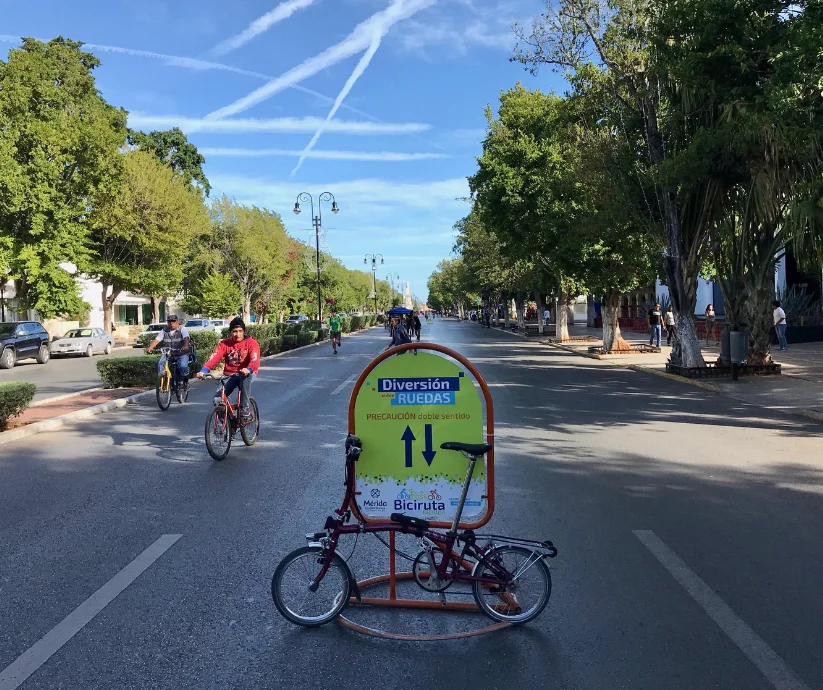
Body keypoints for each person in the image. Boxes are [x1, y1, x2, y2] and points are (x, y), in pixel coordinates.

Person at [196, 317, 260, 421]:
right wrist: (204, 370)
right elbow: (214, 357)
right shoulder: (224, 344)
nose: (237, 334)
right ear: (230, 332)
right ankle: (228, 425)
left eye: (240, 331)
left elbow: (255, 360)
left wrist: (248, 369)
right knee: (217, 400)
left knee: (245, 378)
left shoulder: (252, 343)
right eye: (235, 331)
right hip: (229, 375)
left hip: (246, 373)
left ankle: (245, 408)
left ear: (244, 331)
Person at [146, 314, 191, 388]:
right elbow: (157, 339)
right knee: (161, 364)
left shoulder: (183, 329)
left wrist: (186, 346)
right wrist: (150, 347)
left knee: (183, 366)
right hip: (168, 353)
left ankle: (185, 379)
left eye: (173, 321)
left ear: (177, 322)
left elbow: (186, 338)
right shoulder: (164, 330)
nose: (171, 323)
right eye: (169, 321)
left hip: (181, 353)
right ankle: (163, 382)